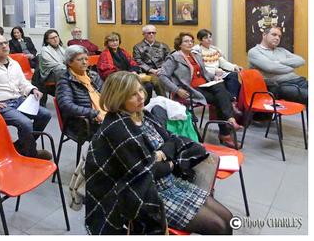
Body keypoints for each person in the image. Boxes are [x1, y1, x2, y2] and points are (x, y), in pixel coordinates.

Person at [85, 71, 232, 235]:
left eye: (140, 90)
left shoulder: (142, 115)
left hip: (171, 182)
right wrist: (169, 162)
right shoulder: (117, 128)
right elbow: (145, 173)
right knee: (220, 227)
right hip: (149, 193)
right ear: (118, 98)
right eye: (133, 95)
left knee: (228, 219)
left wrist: (163, 156)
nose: (141, 97)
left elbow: (172, 139)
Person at [0, 34, 52, 160]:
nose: (4, 46)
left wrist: (33, 89)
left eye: (5, 43)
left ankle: (20, 147)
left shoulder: (14, 64)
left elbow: (23, 83)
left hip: (19, 101)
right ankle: (31, 154)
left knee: (45, 114)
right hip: (1, 104)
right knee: (25, 123)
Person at [159, 32, 242, 149]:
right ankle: (226, 130)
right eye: (186, 41)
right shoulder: (174, 58)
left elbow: (205, 73)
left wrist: (214, 77)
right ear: (179, 44)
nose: (190, 43)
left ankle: (229, 122)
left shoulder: (196, 55)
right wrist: (177, 90)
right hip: (190, 89)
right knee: (220, 99)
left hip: (205, 85)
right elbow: (162, 76)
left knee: (219, 84)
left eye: (191, 41)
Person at [248, 26, 307, 106]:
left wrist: (279, 62)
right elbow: (271, 67)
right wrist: (291, 67)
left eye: (279, 36)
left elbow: (301, 61)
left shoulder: (281, 50)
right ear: (264, 35)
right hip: (279, 85)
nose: (277, 38)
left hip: (298, 80)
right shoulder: (254, 52)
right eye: (274, 34)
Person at [56, 45, 104, 140]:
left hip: (101, 115)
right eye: (80, 59)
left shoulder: (93, 75)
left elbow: (106, 95)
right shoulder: (65, 80)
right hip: (81, 122)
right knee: (117, 131)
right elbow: (66, 105)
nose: (85, 62)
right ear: (69, 62)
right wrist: (92, 113)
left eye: (86, 59)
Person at [97, 32, 154, 104]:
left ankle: (143, 106)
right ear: (107, 43)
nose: (115, 43)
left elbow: (133, 63)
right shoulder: (104, 54)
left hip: (129, 76)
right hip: (117, 80)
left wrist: (134, 71)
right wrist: (128, 74)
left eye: (116, 40)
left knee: (148, 85)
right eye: (112, 41)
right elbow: (108, 72)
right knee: (138, 88)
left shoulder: (123, 51)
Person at [192, 29, 242, 100]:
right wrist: (214, 71)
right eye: (206, 38)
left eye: (210, 37)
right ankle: (230, 100)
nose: (209, 40)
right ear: (200, 40)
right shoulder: (197, 51)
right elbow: (200, 67)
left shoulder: (214, 50)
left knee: (233, 75)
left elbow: (223, 62)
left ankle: (233, 99)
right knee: (227, 84)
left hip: (219, 73)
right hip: (207, 75)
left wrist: (234, 66)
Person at [133, 24, 170, 96]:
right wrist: (151, 70)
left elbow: (169, 59)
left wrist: (162, 68)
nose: (151, 35)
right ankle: (164, 101)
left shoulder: (163, 45)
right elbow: (138, 61)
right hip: (147, 72)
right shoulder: (138, 47)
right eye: (149, 33)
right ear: (143, 34)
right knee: (158, 81)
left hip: (162, 70)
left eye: (153, 33)